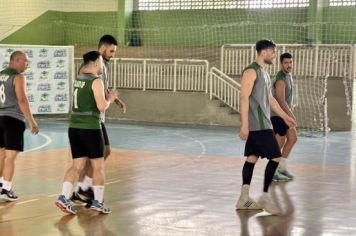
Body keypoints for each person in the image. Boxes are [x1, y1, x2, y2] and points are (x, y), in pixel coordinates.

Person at [235, 40, 296, 215]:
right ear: (264, 52)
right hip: (259, 125)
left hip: (263, 123)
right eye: (273, 52)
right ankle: (264, 196)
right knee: (276, 157)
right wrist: (244, 125)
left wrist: (285, 116)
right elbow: (244, 98)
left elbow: (270, 99)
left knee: (252, 158)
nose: (275, 55)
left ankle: (244, 198)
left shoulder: (265, 73)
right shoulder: (251, 71)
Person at [55, 51, 117, 214]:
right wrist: (110, 98)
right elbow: (101, 106)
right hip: (90, 128)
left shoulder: (78, 79)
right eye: (101, 63)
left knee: (77, 166)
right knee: (98, 166)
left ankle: (63, 197)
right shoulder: (96, 81)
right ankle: (97, 201)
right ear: (97, 63)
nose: (103, 66)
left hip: (74, 128)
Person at [71, 35, 126, 203]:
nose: (113, 54)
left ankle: (83, 187)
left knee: (102, 152)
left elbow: (103, 87)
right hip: (90, 119)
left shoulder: (102, 67)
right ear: (102, 48)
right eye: (111, 51)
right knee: (93, 156)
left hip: (98, 117)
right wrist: (107, 100)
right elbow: (90, 86)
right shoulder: (90, 66)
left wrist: (115, 99)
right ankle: (82, 188)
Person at [0, 51, 39, 201]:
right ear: (16, 60)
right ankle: (6, 189)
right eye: (25, 61)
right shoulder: (18, 77)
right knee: (11, 157)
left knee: (1, 154)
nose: (27, 65)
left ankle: (1, 184)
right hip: (13, 119)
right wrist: (31, 121)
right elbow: (22, 100)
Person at [271, 53, 297, 182]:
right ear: (281, 64)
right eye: (286, 63)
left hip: (285, 115)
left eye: (290, 62)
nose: (289, 65)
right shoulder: (280, 78)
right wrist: (290, 115)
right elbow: (281, 100)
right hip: (278, 115)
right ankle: (272, 170)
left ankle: (281, 168)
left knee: (292, 138)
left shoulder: (288, 76)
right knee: (280, 142)